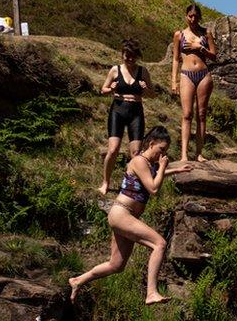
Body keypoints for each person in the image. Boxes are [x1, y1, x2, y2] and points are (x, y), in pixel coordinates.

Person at [70, 127, 193, 305]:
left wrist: (176, 171)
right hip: (122, 214)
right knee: (159, 244)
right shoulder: (139, 161)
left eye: (165, 152)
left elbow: (152, 178)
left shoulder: (148, 165)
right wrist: (163, 167)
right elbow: (153, 188)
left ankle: (78, 280)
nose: (162, 155)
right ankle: (151, 292)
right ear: (151, 144)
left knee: (116, 265)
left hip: (124, 216)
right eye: (161, 149)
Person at [98, 39, 151, 195]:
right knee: (113, 150)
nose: (130, 59)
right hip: (118, 110)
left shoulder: (143, 71)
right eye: (127, 56)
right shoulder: (115, 70)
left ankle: (130, 184)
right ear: (122, 55)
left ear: (137, 56)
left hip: (136, 112)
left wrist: (145, 88)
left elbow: (153, 94)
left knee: (135, 153)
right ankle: (105, 182)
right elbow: (103, 89)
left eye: (133, 56)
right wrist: (110, 88)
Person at [172, 3, 217, 162]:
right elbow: (176, 59)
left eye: (196, 16)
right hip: (186, 74)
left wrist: (201, 48)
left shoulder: (206, 33)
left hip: (204, 75)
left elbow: (214, 56)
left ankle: (199, 153)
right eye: (190, 16)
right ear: (186, 17)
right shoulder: (179, 34)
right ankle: (184, 154)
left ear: (200, 17)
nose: (193, 19)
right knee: (186, 114)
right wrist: (173, 81)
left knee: (201, 115)